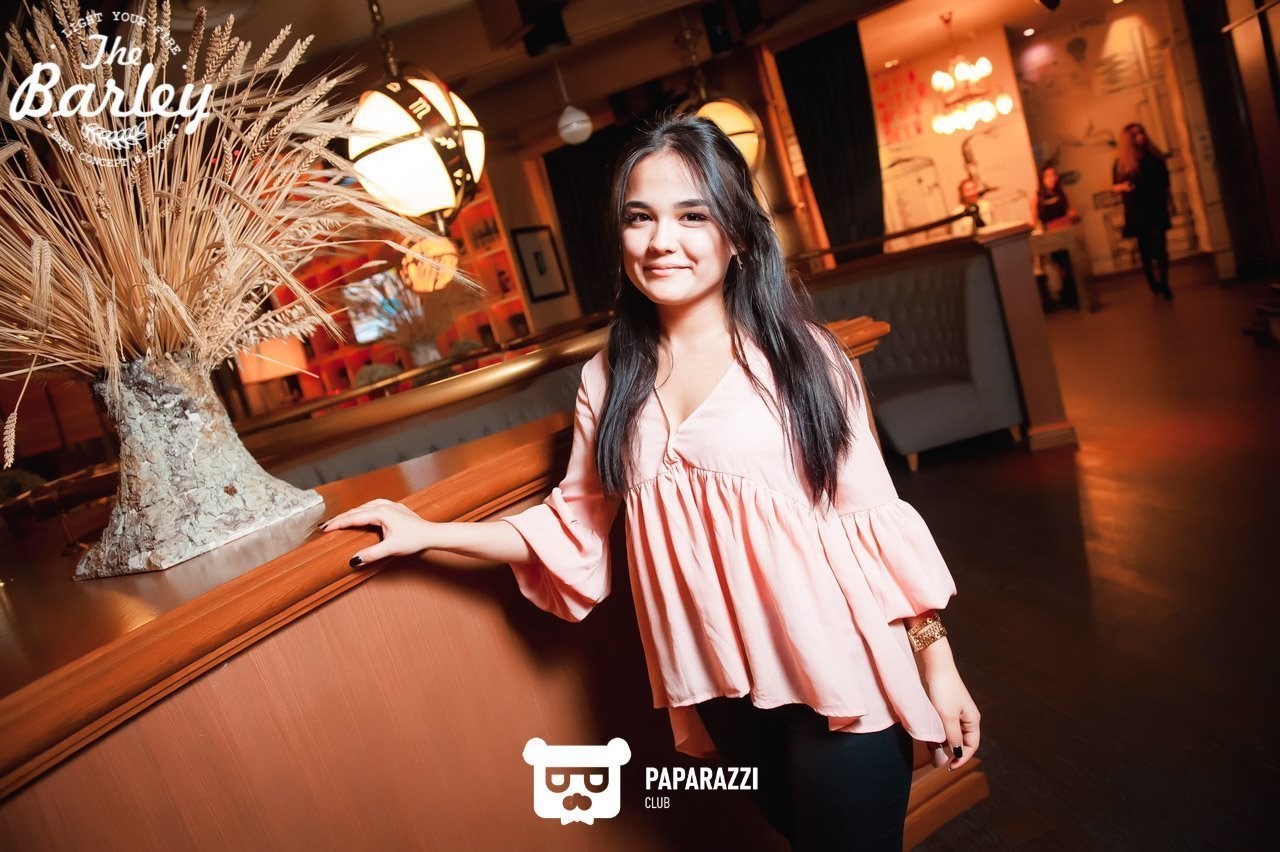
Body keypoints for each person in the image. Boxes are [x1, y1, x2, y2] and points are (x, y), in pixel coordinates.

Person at [319, 114, 981, 851]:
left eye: (692, 215)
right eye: (641, 218)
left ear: (737, 234)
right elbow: (570, 526)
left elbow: (872, 519)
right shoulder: (608, 380)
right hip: (725, 687)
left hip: (843, 674)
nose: (662, 240)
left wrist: (938, 662)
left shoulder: (805, 358)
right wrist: (427, 533)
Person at [1112, 122, 1174, 300]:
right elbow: (1115, 186)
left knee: (1160, 246)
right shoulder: (1122, 163)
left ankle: (1165, 283)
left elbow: (1165, 183)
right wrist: (1123, 186)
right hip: (1137, 210)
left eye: (1141, 133)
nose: (1139, 137)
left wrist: (1170, 202)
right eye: (1135, 135)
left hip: (1156, 206)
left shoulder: (1154, 155)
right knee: (1144, 250)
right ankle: (1153, 283)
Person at [1035, 164, 1082, 311]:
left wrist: (1073, 215)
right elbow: (1035, 220)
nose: (1052, 179)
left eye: (1053, 175)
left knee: (1072, 266)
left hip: (1067, 232)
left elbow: (1071, 211)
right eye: (1048, 176)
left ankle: (1074, 298)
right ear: (1042, 179)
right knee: (1063, 267)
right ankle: (1068, 297)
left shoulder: (1061, 193)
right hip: (1053, 237)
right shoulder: (1037, 197)